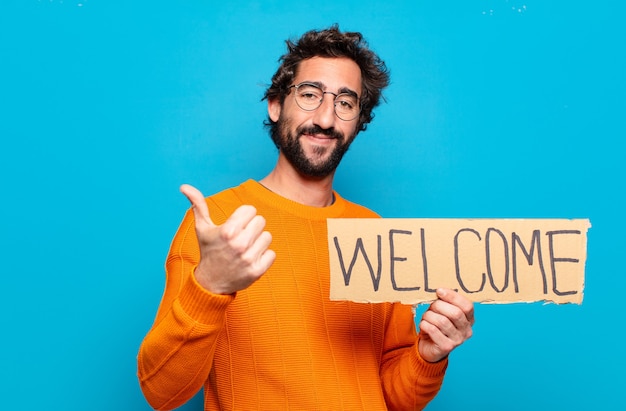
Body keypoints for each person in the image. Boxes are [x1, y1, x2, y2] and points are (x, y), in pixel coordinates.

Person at [137, 25, 474, 411]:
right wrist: (209, 287)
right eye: (310, 95)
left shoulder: (378, 237)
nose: (327, 119)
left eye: (346, 103)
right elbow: (161, 392)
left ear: (358, 122)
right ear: (276, 104)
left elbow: (395, 398)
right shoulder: (217, 224)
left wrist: (428, 355)